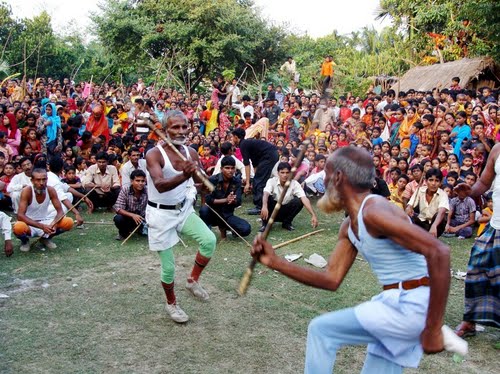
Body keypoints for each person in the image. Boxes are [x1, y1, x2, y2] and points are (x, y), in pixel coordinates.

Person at [250, 147, 451, 373]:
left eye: (326, 173)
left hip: (411, 304)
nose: (322, 180)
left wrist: (433, 328)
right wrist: (274, 261)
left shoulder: (374, 210)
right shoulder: (349, 225)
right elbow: (330, 279)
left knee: (322, 330)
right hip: (395, 302)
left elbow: (439, 252)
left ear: (338, 177)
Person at [145, 110, 216, 323]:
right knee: (168, 267)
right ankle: (171, 304)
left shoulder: (191, 153)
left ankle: (192, 280)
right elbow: (159, 184)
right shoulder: (154, 154)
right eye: (175, 127)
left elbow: (202, 183)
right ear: (165, 130)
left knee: (209, 241)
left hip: (183, 209)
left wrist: (203, 181)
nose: (181, 131)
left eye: (185, 126)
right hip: (160, 213)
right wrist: (185, 174)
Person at [455, 143, 500, 337]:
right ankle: (470, 321)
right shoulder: (497, 150)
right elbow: (484, 183)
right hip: (496, 223)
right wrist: (470, 191)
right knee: (477, 267)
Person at [13, 168, 74, 251]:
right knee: (18, 227)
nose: (41, 183)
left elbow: (60, 212)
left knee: (68, 222)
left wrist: (53, 224)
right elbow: (20, 215)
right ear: (32, 181)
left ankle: (46, 239)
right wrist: (42, 227)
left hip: (46, 221)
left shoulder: (51, 190)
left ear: (47, 180)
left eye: (44, 179)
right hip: (30, 224)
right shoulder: (27, 191)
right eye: (38, 180)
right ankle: (25, 241)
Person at [200, 156, 251, 239]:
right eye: (227, 168)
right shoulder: (212, 180)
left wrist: (233, 200)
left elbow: (239, 201)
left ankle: (226, 227)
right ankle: (207, 233)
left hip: (227, 215)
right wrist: (226, 200)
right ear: (221, 168)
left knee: (246, 229)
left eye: (232, 168)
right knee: (204, 210)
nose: (230, 171)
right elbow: (208, 200)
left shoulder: (237, 181)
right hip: (213, 213)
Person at [231, 127, 279, 215]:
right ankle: (261, 204)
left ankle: (260, 207)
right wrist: (255, 178)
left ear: (236, 137)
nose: (232, 139)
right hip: (271, 155)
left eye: (232, 137)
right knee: (258, 180)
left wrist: (248, 183)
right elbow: (254, 163)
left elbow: (246, 164)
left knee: (259, 182)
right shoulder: (247, 143)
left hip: (269, 156)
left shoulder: (243, 144)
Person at [260, 162, 318, 232]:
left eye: (287, 173)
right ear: (278, 173)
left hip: (285, 210)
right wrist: (264, 206)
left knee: (298, 201)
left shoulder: (295, 184)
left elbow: (304, 198)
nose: (285, 175)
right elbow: (266, 193)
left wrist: (313, 215)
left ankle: (286, 223)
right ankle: (265, 224)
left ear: (290, 173)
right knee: (265, 197)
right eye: (282, 172)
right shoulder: (271, 181)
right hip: (272, 210)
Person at [406, 168, 449, 237]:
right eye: (431, 180)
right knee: (410, 216)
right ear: (426, 181)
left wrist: (434, 226)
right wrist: (409, 208)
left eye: (437, 181)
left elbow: (442, 212)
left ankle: (431, 237)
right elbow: (410, 204)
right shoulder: (420, 190)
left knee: (440, 215)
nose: (433, 183)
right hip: (422, 222)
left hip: (436, 225)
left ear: (440, 183)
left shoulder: (443, 194)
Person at [113, 169, 148, 240]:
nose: (140, 183)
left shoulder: (148, 190)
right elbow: (118, 208)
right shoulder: (125, 190)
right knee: (118, 218)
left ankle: (140, 229)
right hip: (128, 218)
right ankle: (123, 233)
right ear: (132, 181)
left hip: (144, 218)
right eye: (137, 181)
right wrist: (133, 215)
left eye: (143, 181)